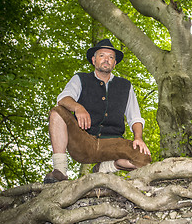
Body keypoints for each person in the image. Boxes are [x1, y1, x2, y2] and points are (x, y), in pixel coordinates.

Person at [44, 39, 152, 183]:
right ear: (94, 60)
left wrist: (138, 137)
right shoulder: (80, 78)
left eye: (111, 57)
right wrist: (78, 107)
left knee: (144, 159)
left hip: (113, 143)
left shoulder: (125, 86)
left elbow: (135, 117)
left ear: (114, 63)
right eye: (102, 55)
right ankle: (60, 171)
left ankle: (107, 166)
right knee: (57, 112)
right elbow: (63, 98)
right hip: (83, 140)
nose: (106, 60)